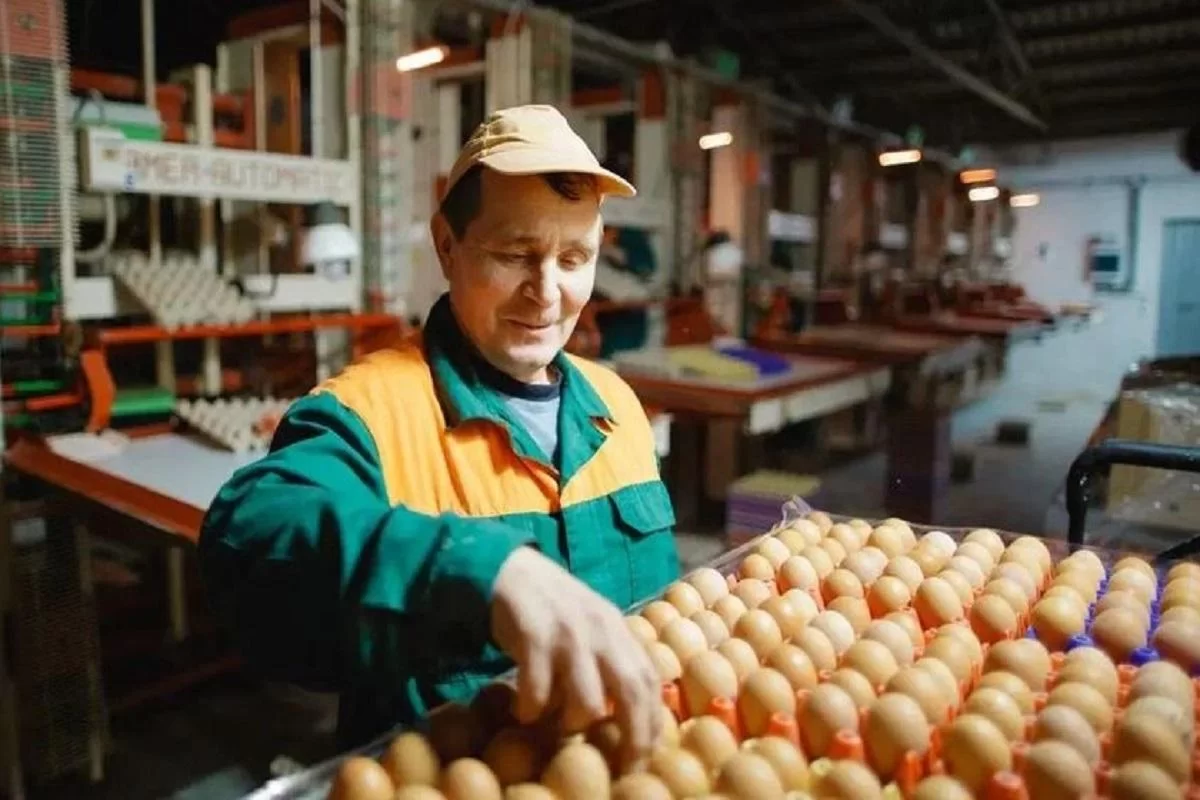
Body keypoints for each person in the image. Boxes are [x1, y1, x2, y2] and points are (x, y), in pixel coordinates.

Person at [197, 105, 680, 765]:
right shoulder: (366, 412)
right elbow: (253, 538)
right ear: (448, 246)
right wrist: (477, 570)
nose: (548, 292)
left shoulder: (616, 405)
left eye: (575, 257)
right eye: (515, 253)